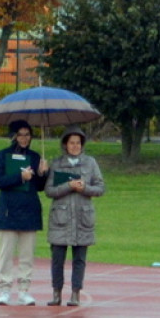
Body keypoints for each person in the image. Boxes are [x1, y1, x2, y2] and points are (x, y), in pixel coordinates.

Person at [44, 125, 105, 307]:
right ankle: (56, 293)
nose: (75, 146)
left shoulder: (90, 163)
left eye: (78, 143)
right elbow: (49, 190)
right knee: (57, 259)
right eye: (71, 143)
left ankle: (75, 293)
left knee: (79, 259)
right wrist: (68, 187)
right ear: (65, 144)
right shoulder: (56, 164)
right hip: (60, 219)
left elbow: (100, 188)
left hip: (82, 219)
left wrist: (84, 188)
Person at [0, 119, 48, 306]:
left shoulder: (35, 156)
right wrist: (19, 177)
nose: (24, 138)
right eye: (20, 134)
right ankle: (4, 289)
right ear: (14, 136)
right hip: (8, 210)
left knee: (27, 254)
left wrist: (43, 173)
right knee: (6, 253)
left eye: (27, 135)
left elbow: (40, 187)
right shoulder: (3, 155)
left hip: (29, 210)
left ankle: (24, 290)